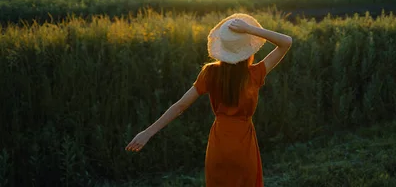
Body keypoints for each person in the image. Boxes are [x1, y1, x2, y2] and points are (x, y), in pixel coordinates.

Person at [125, 13, 293, 186]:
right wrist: (250, 29)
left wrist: (147, 133)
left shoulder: (210, 73)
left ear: (223, 47)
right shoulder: (255, 74)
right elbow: (286, 42)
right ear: (247, 47)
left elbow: (180, 106)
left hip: (219, 144)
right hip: (244, 145)